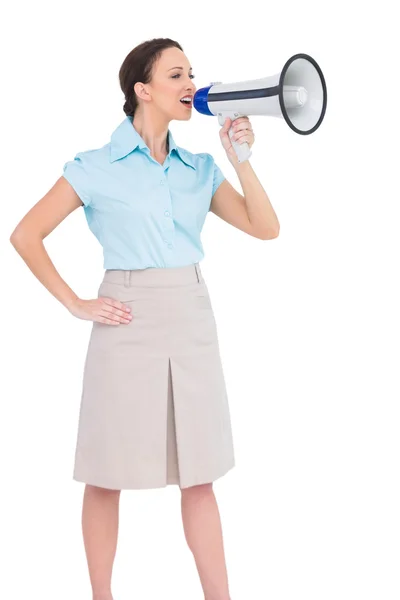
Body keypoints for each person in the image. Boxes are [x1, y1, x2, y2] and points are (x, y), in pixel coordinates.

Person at [10, 37, 279, 600]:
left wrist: (242, 161)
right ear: (143, 89)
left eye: (192, 74)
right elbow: (25, 235)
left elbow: (264, 227)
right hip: (125, 318)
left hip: (191, 315)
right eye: (177, 75)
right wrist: (74, 301)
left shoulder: (198, 167)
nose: (191, 86)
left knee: (199, 474)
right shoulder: (93, 166)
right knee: (106, 474)